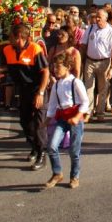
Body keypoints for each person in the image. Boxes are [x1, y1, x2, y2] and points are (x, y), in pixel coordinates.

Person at [1, 23, 50, 170]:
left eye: (11, 36)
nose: (9, 39)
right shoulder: (7, 50)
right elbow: (5, 67)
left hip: (37, 88)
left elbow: (45, 72)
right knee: (25, 121)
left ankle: (42, 153)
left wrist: (40, 93)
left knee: (39, 123)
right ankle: (34, 146)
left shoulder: (35, 49)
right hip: (22, 90)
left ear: (19, 38)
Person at [44, 52, 89, 189]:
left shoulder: (76, 82)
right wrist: (46, 121)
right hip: (62, 119)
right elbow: (52, 105)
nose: (55, 70)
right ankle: (57, 173)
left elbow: (85, 102)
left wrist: (77, 117)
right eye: (54, 67)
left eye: (58, 67)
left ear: (68, 67)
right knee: (52, 146)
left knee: (74, 151)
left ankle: (75, 176)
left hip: (75, 119)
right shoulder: (56, 85)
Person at [82, 9, 112, 123]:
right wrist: (82, 61)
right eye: (96, 17)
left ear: (105, 18)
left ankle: (100, 113)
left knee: (103, 88)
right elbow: (84, 45)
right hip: (90, 61)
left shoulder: (111, 31)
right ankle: (88, 113)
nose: (97, 19)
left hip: (104, 62)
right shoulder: (90, 28)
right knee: (88, 88)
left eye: (99, 17)